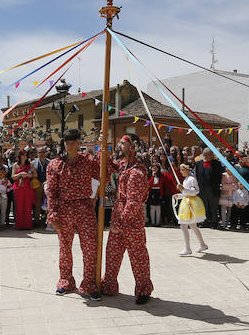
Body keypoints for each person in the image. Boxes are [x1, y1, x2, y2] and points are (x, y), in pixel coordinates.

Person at [45, 129, 100, 299]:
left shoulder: (89, 161)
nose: (69, 145)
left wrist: (102, 145)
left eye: (73, 141)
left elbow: (103, 171)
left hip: (85, 208)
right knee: (65, 247)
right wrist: (53, 215)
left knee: (90, 247)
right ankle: (66, 281)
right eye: (66, 142)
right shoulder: (55, 164)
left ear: (78, 143)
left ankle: (89, 284)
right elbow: (52, 191)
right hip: (64, 209)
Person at [102, 134, 153, 304]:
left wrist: (121, 223)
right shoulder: (123, 166)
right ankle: (108, 285)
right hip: (118, 215)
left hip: (131, 220)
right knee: (112, 253)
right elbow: (108, 163)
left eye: (122, 143)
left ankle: (143, 290)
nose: (119, 145)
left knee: (137, 256)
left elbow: (133, 202)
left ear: (133, 147)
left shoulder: (137, 172)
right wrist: (103, 145)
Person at [175, 163, 208, 256]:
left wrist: (183, 188)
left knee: (184, 225)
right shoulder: (185, 180)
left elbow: (196, 191)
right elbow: (186, 193)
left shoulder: (192, 179)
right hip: (186, 203)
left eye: (183, 170)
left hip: (191, 205)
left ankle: (188, 248)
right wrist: (179, 195)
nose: (181, 172)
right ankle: (202, 244)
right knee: (192, 226)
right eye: (181, 170)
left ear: (188, 170)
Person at [193, 148, 223, 228]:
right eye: (209, 154)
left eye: (211, 154)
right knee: (203, 206)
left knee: (213, 207)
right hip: (202, 189)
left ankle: (214, 222)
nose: (211, 155)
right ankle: (204, 222)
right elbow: (196, 176)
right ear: (204, 155)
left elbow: (219, 176)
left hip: (213, 189)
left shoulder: (217, 164)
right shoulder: (198, 164)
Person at [11, 150, 36, 230]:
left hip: (28, 188)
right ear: (19, 156)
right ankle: (19, 225)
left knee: (28, 206)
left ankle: (27, 225)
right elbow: (13, 177)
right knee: (19, 206)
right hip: (18, 188)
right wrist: (20, 174)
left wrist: (28, 175)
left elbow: (35, 174)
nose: (24, 156)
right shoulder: (15, 165)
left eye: (25, 154)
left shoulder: (30, 165)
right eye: (22, 154)